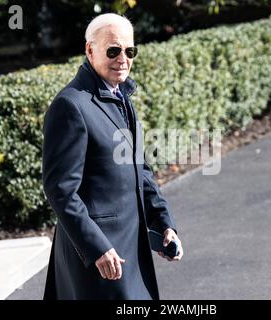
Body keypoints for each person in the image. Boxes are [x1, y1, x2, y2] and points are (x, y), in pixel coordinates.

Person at [42, 13, 183, 300]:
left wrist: (163, 223)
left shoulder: (121, 98)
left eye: (130, 51)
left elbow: (140, 170)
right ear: (90, 50)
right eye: (113, 50)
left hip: (131, 250)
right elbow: (60, 190)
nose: (123, 58)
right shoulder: (70, 106)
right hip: (97, 259)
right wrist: (96, 247)